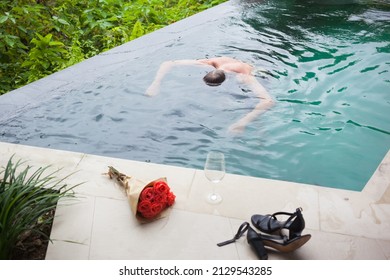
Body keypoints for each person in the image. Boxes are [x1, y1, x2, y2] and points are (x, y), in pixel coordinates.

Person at [145, 56, 274, 133]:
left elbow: (268, 101)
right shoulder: (215, 63)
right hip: (233, 67)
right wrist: (155, 83)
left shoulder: (243, 76)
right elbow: (169, 63)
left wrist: (242, 122)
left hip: (259, 72)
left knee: (252, 109)